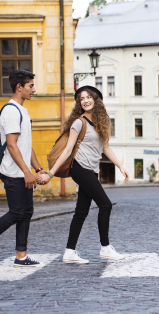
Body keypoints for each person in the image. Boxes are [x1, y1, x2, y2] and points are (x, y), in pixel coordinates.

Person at [37, 85, 130, 264]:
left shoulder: (100, 122)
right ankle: (105, 248)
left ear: (96, 100)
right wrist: (50, 173)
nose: (85, 101)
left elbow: (106, 148)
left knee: (81, 212)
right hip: (80, 168)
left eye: (88, 97)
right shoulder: (79, 122)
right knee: (106, 205)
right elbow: (67, 150)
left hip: (92, 170)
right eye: (82, 99)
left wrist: (120, 166)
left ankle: (69, 252)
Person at [0, 70, 47, 268]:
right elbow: (12, 145)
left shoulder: (23, 110)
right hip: (14, 173)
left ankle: (21, 256)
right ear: (18, 87)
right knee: (16, 212)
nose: (34, 89)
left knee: (26, 212)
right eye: (30, 86)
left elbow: (25, 145)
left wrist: (37, 168)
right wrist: (27, 172)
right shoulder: (12, 111)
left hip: (22, 172)